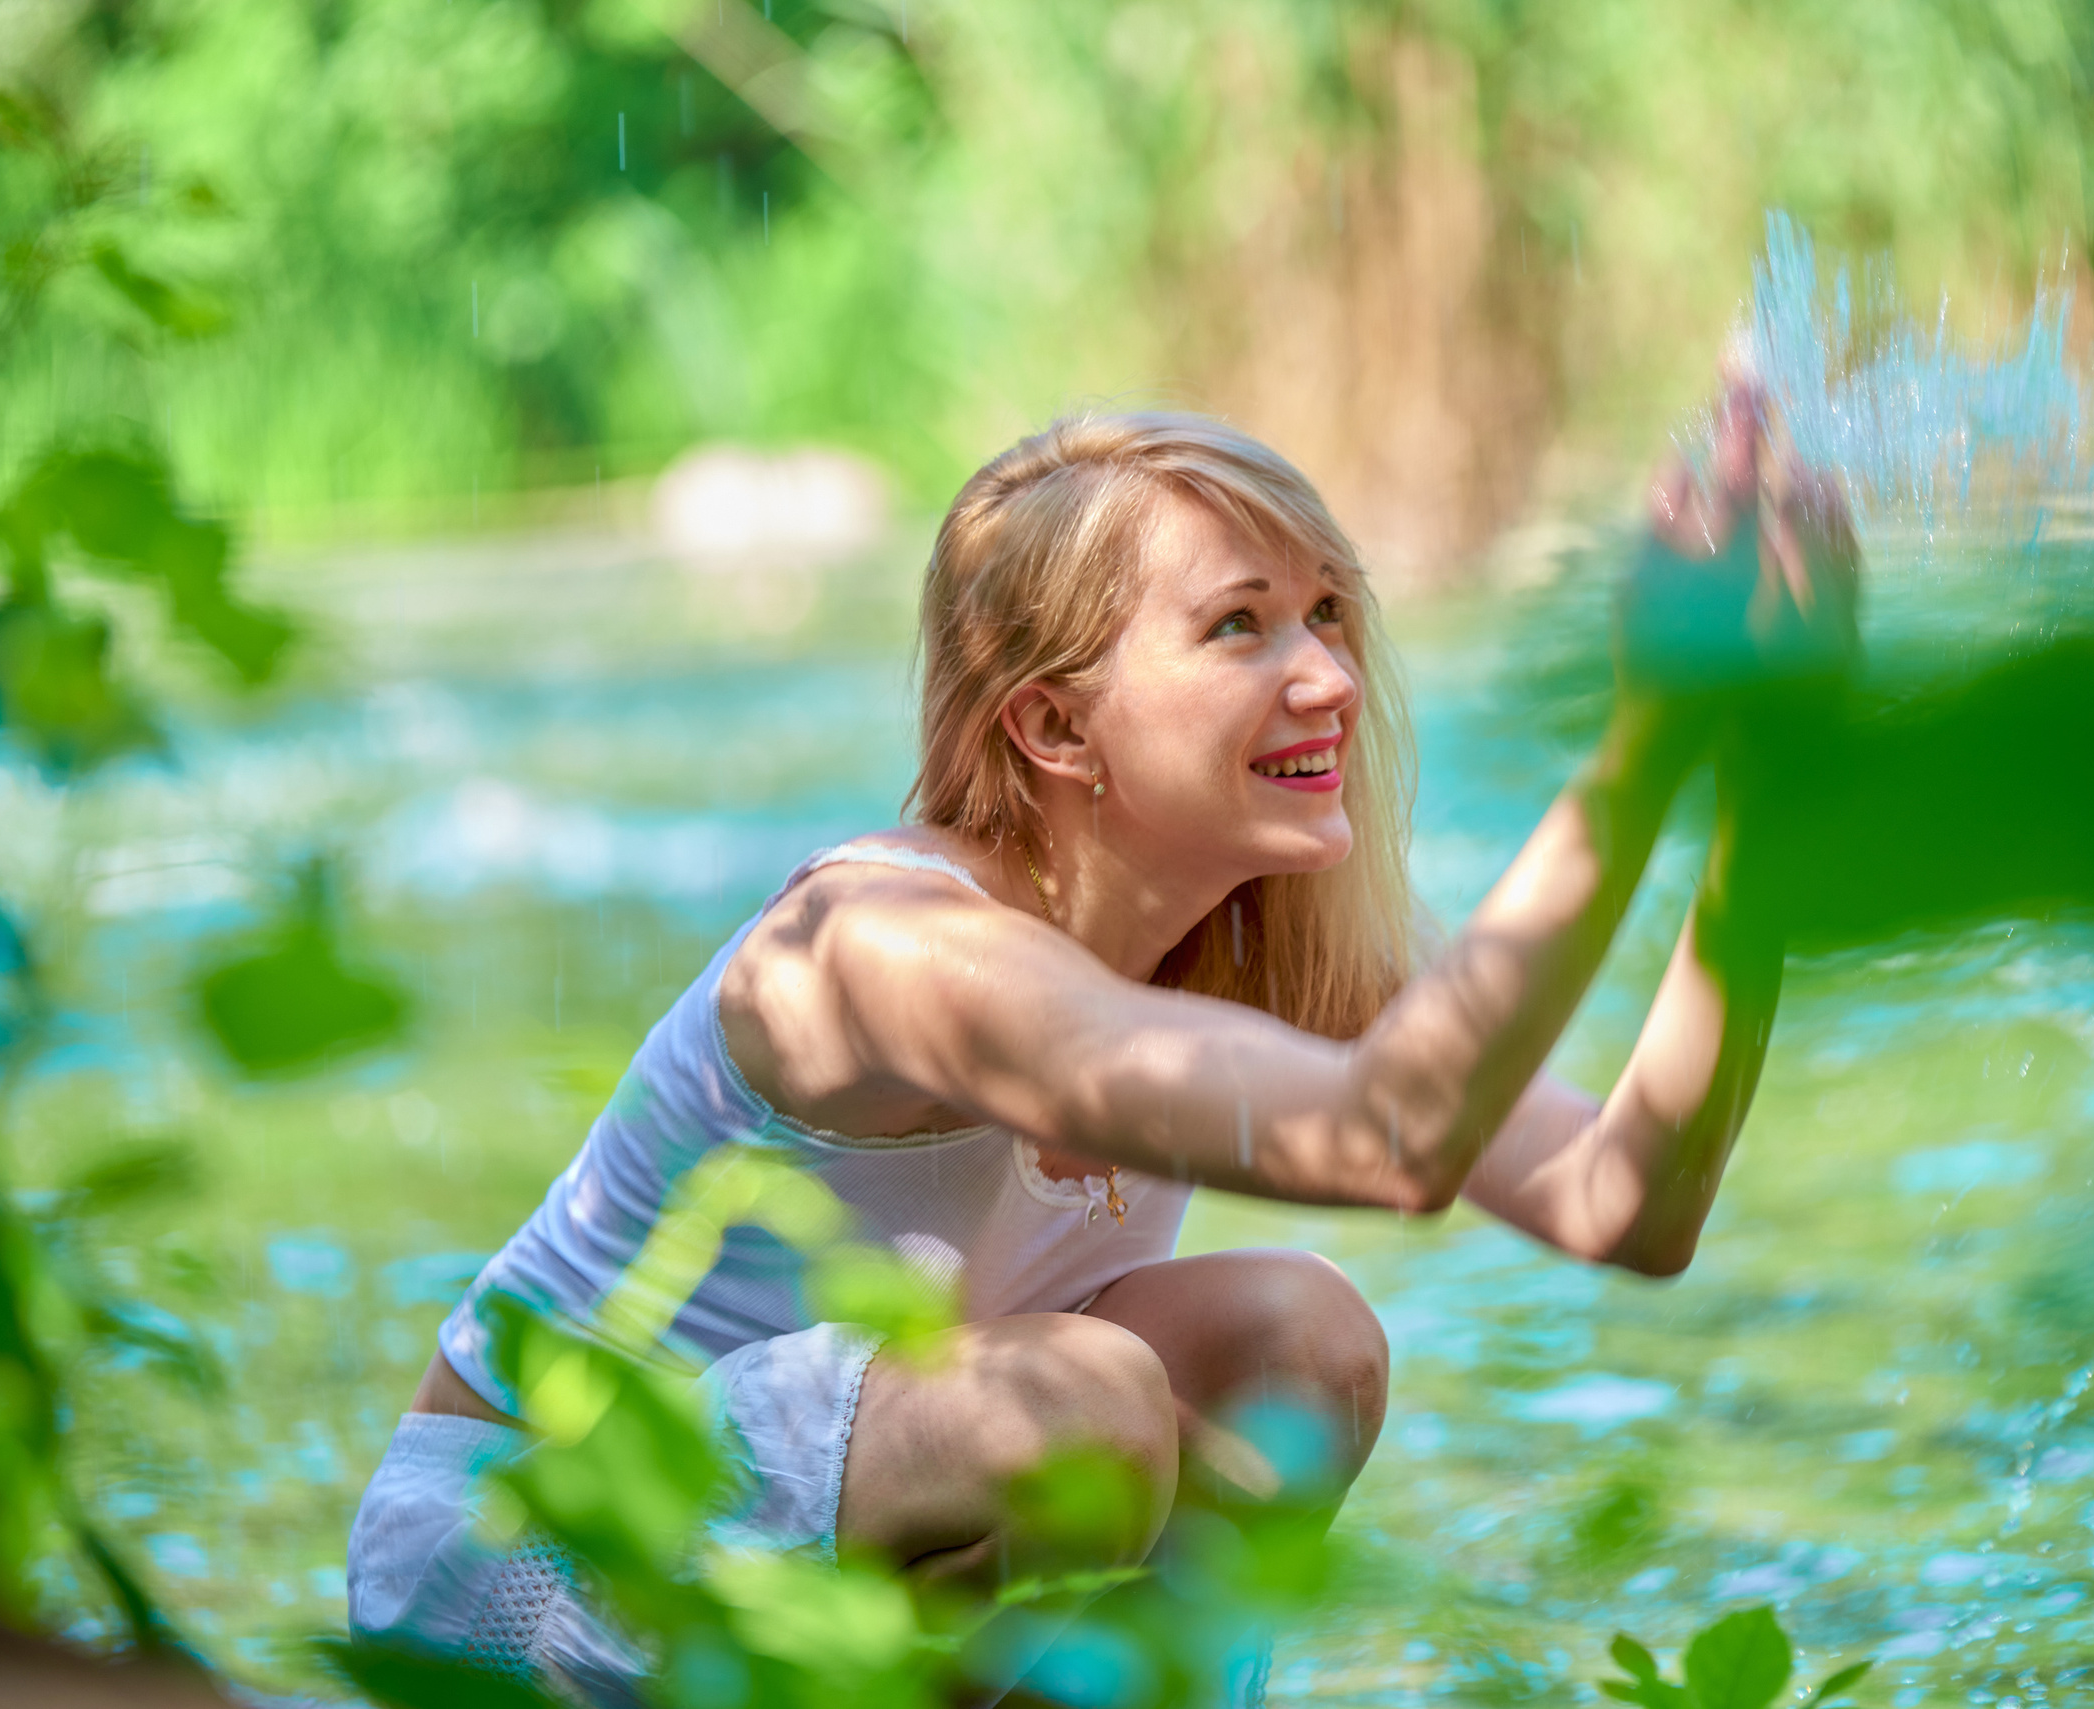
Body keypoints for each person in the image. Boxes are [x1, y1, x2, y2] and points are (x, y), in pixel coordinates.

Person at [345, 379, 1856, 1704]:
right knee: (1089, 1401)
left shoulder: (1258, 941)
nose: (1327, 674)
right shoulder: (891, 950)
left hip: (786, 1561)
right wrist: (1643, 741)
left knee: (1301, 1344)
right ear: (1054, 729)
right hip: (522, 1561)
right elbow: (1393, 1138)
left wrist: (1770, 790)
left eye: (1327, 609)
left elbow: (1627, 1199)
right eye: (1240, 626)